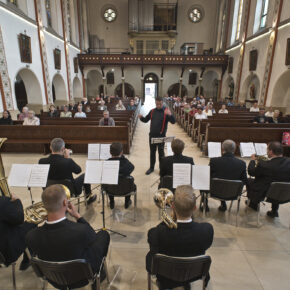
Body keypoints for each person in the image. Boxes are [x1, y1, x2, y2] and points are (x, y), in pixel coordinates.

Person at [26, 185, 110, 289]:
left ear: (44, 205)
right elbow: (92, 236)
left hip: (53, 279)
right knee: (103, 234)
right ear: (65, 203)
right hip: (82, 278)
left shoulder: (31, 236)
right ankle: (100, 274)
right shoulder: (81, 230)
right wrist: (78, 217)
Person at [146, 185, 214, 290]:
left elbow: (152, 242)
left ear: (172, 206)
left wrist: (167, 221)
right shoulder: (207, 230)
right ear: (195, 208)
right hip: (194, 274)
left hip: (165, 276)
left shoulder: (157, 233)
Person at [39, 138, 96, 204]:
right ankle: (89, 198)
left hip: (50, 189)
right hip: (69, 190)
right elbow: (78, 170)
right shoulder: (68, 161)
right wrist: (68, 158)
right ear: (63, 149)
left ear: (50, 147)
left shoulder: (42, 161)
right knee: (86, 176)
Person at [247, 141, 290, 217]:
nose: (266, 151)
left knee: (249, 180)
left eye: (267, 150)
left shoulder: (264, 165)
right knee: (278, 183)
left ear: (271, 151)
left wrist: (252, 160)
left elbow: (251, 172)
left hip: (266, 194)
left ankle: (253, 204)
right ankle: (274, 211)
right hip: (284, 194)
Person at [203, 140, 248, 212]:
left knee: (202, 181)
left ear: (222, 149)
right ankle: (223, 204)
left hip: (214, 192)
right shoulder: (242, 163)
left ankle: (205, 205)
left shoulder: (214, 161)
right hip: (233, 193)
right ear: (234, 149)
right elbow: (244, 181)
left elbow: (208, 176)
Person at [139, 97, 175, 175]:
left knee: (161, 153)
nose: (158, 105)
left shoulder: (166, 112)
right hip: (152, 136)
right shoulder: (152, 111)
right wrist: (141, 118)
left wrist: (170, 114)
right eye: (157, 104)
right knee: (152, 153)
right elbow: (146, 120)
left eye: (160, 104)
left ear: (163, 103)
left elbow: (173, 122)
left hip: (161, 137)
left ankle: (162, 168)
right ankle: (151, 167)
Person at [0, 192, 35, 270]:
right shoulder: (2, 202)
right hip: (6, 256)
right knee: (32, 224)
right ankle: (28, 260)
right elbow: (19, 219)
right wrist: (17, 201)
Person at [107, 142, 136, 209]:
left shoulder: (107, 163)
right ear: (121, 152)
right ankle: (127, 202)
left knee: (108, 181)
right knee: (129, 182)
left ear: (110, 152)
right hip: (126, 189)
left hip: (110, 190)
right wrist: (123, 158)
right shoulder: (126, 162)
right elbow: (132, 167)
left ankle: (111, 202)